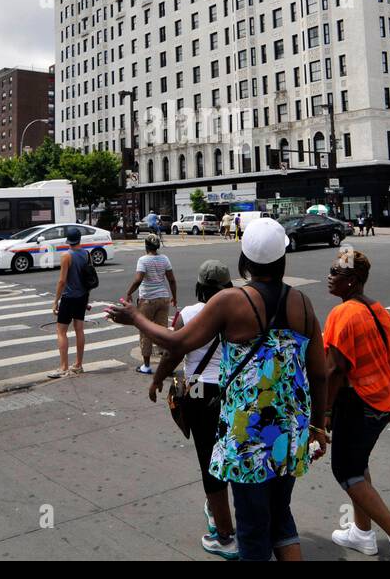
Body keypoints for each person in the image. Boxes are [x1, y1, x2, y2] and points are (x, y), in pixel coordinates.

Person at [107, 218, 329, 561]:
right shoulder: (303, 303)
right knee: (281, 520)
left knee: (253, 532)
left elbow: (177, 341)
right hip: (291, 432)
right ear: (284, 259)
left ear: (245, 262)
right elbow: (320, 372)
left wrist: (135, 317)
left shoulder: (231, 301)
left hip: (248, 435)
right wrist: (319, 426)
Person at [323, 250, 390, 561]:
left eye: (335, 272)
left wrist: (324, 413)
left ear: (352, 281)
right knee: (359, 462)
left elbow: (334, 370)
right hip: (382, 400)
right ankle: (362, 533)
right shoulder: (379, 310)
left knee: (345, 470)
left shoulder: (342, 315)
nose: (329, 276)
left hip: (357, 402)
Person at [147, 259, 238, 558]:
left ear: (199, 287)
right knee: (231, 455)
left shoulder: (187, 314)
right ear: (227, 286)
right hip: (233, 390)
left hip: (199, 390)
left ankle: (225, 535)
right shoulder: (239, 311)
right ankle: (226, 514)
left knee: (209, 460)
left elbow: (174, 352)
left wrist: (157, 380)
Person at [123, 234, 176, 375]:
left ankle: (146, 366)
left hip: (147, 300)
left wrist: (129, 293)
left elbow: (138, 280)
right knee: (163, 332)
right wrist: (174, 297)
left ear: (146, 246)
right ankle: (166, 367)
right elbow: (171, 280)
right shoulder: (164, 259)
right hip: (163, 298)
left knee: (145, 331)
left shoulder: (143, 260)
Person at [49, 227, 93, 378]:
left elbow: (62, 281)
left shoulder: (66, 256)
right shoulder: (87, 254)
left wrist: (55, 301)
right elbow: (89, 279)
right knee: (79, 329)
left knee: (61, 331)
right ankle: (78, 365)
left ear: (68, 241)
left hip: (68, 297)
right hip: (82, 297)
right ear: (79, 239)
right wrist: (86, 299)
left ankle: (63, 367)